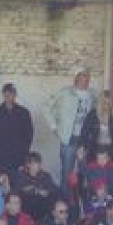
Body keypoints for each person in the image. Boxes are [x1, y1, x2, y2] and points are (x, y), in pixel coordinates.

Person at [42, 66, 98, 198]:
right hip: (69, 138)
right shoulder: (65, 92)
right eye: (83, 75)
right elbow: (46, 106)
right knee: (67, 173)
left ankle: (84, 204)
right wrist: (54, 126)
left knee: (86, 172)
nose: (86, 78)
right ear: (77, 77)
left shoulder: (93, 94)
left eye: (88, 76)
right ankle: (65, 203)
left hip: (86, 139)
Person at [0, 83, 34, 178]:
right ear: (3, 94)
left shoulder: (24, 113)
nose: (8, 95)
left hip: (18, 158)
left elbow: (29, 134)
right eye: (5, 92)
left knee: (18, 185)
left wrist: (23, 152)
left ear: (15, 95)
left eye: (11, 93)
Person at [80, 90, 113, 165]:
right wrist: (83, 147)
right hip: (95, 149)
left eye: (110, 103)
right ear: (100, 103)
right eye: (104, 103)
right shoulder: (92, 115)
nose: (107, 106)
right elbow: (84, 133)